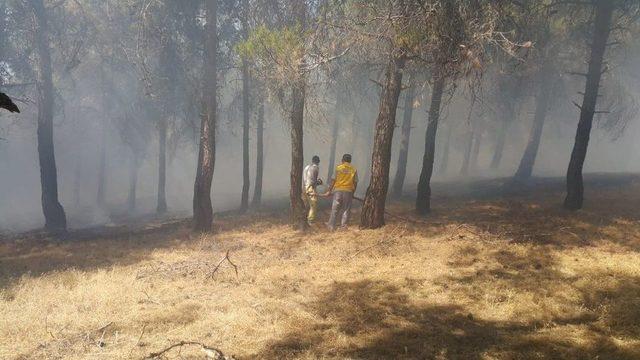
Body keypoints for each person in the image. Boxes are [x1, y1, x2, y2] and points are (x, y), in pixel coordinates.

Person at [325, 154, 358, 231]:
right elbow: (355, 182)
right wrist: (353, 192)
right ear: (350, 161)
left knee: (335, 209)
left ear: (342, 160)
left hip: (338, 191)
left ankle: (331, 226)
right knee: (346, 209)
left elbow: (333, 180)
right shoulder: (353, 169)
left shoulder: (338, 168)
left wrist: (329, 190)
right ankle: (343, 227)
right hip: (348, 191)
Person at [302, 155, 323, 224]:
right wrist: (319, 182)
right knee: (313, 204)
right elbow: (313, 181)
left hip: (304, 187)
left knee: (305, 204)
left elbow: (307, 178)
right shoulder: (316, 168)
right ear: (318, 161)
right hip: (310, 187)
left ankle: (303, 219)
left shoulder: (307, 167)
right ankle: (310, 221)